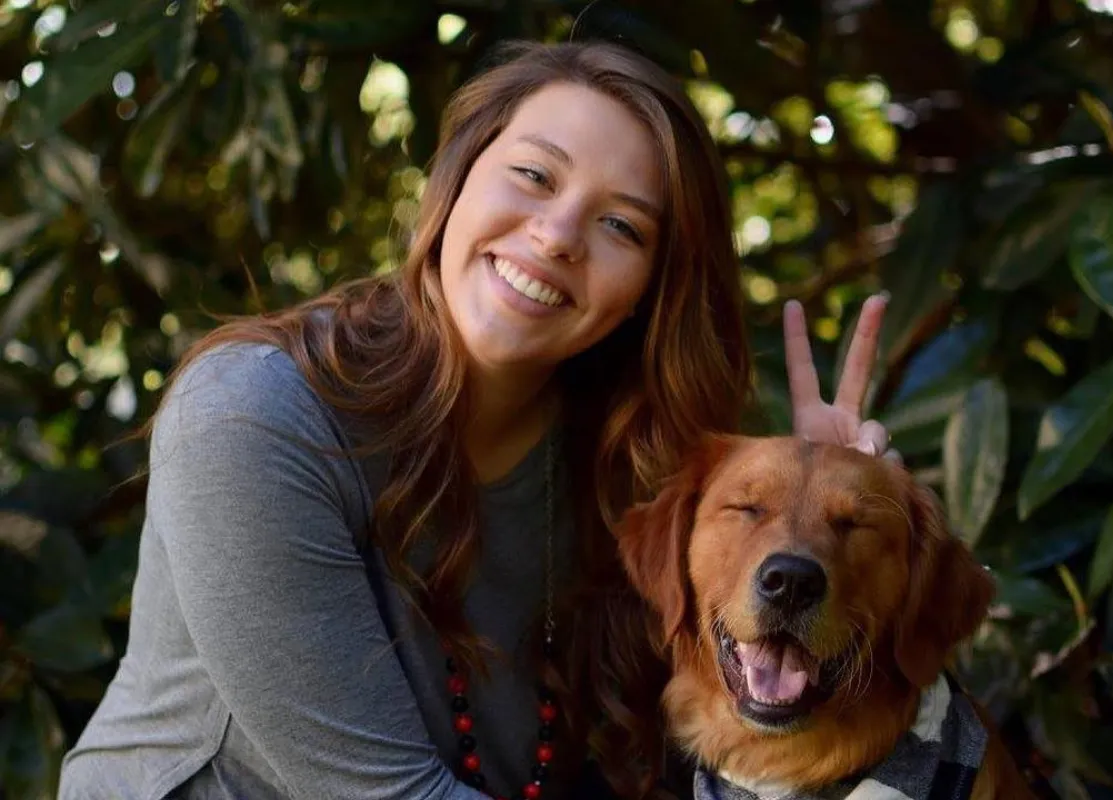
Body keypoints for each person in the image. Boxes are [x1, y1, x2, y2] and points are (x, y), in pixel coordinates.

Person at [58, 40, 893, 800]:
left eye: (619, 225)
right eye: (534, 175)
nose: (558, 233)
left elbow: (710, 751)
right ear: (454, 178)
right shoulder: (255, 418)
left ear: (651, 291)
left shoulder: (620, 467)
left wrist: (808, 523)